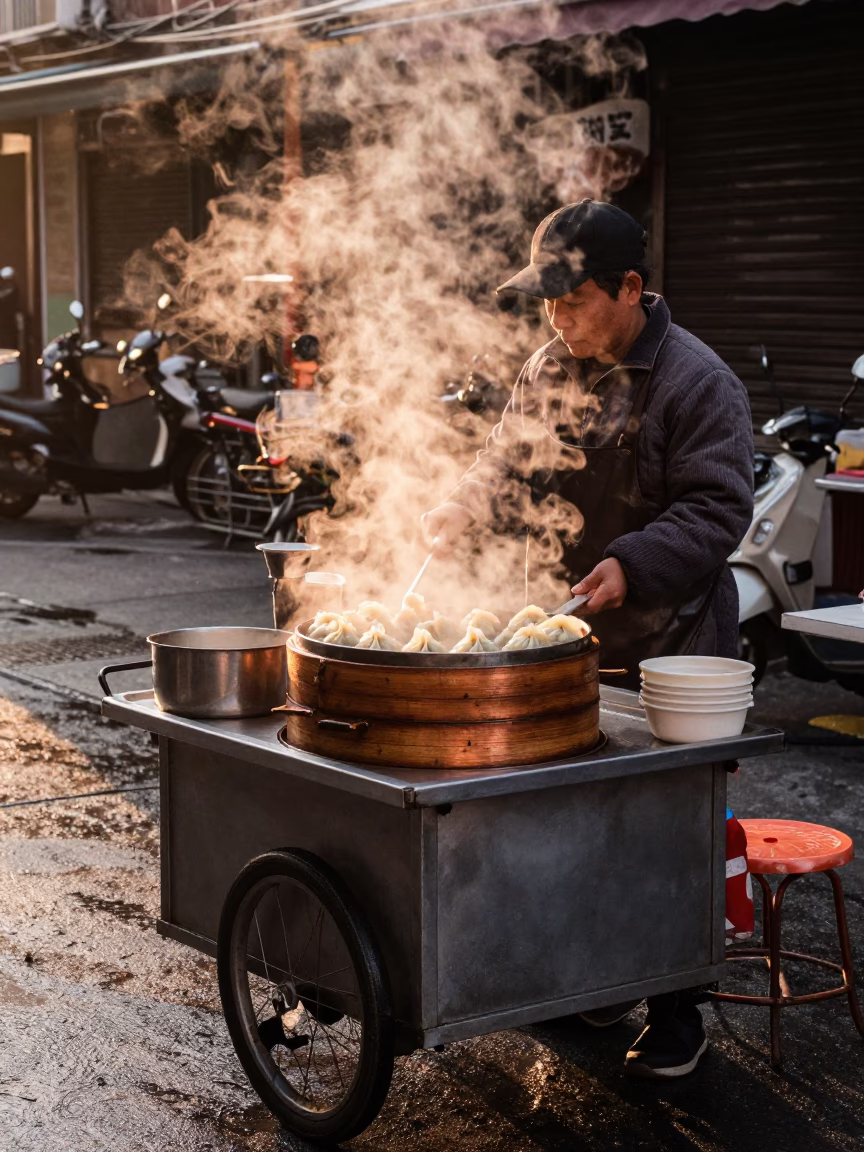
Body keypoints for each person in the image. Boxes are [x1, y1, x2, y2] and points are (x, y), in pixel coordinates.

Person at [421, 198, 754, 1078]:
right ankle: (599, 979)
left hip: (670, 646)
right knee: (575, 821)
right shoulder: (547, 366)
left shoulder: (698, 382)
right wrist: (464, 501)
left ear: (632, 288)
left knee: (665, 831)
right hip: (566, 642)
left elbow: (719, 509)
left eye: (572, 303)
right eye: (547, 304)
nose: (557, 321)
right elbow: (505, 460)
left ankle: (679, 1013)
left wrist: (631, 564)